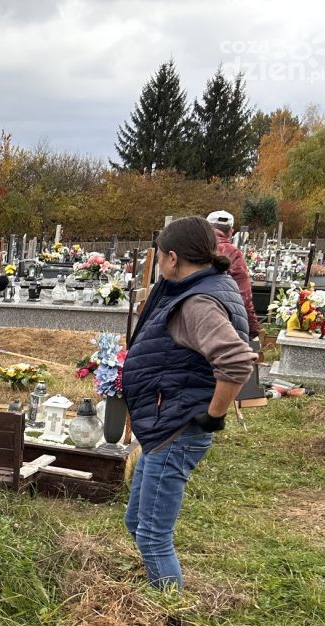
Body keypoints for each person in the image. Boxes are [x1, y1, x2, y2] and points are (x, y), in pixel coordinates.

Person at [122, 216, 255, 590]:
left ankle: (170, 611)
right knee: (136, 522)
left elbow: (237, 361)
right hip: (166, 423)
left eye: (160, 256)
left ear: (173, 258)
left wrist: (213, 416)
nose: (159, 265)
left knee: (153, 536)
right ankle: (155, 590)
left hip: (178, 428)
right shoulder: (205, 285)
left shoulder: (198, 302)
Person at [206, 210, 261, 341]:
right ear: (231, 231)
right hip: (223, 322)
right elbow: (244, 295)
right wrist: (253, 327)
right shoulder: (232, 252)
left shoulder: (194, 248)